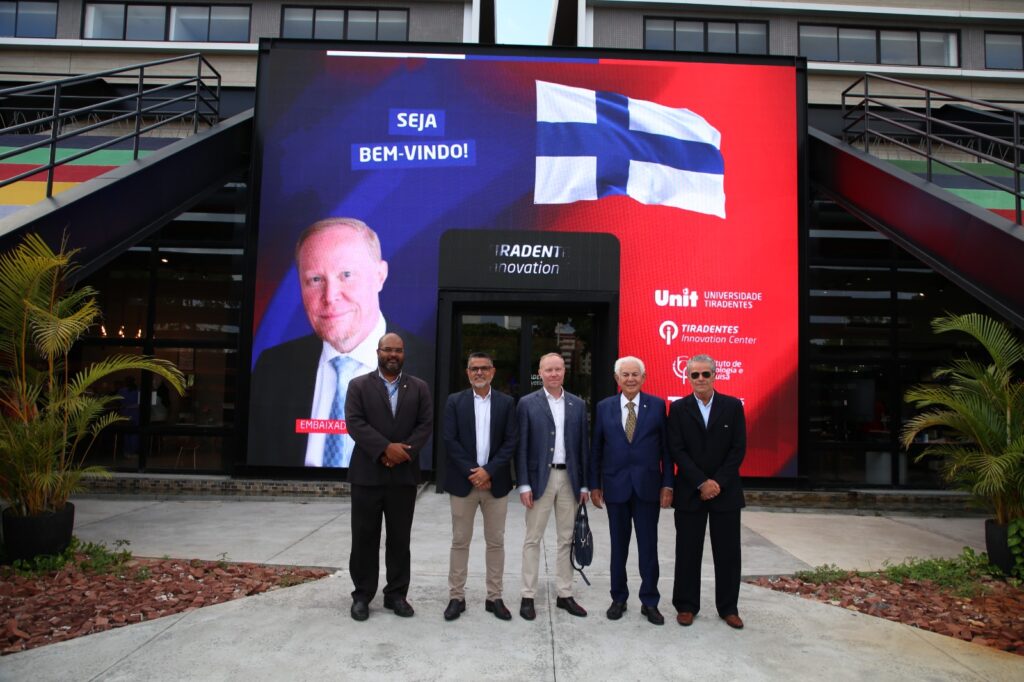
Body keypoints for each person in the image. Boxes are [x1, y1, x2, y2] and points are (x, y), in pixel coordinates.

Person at [247, 217, 427, 468]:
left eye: (346, 275)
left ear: (380, 275)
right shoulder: (273, 367)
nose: (330, 296)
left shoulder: (431, 366)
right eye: (315, 280)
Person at [345, 332, 433, 621]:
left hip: (403, 476)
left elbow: (425, 425)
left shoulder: (419, 387)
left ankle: (396, 595)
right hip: (367, 475)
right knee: (364, 538)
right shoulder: (358, 386)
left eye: (398, 350)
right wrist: (384, 449)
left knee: (399, 540)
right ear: (378, 352)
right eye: (388, 350)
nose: (393, 355)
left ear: (404, 354)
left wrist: (401, 453)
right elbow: (355, 423)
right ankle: (362, 595)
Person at [589, 356, 673, 625]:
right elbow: (596, 449)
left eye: (635, 374)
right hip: (615, 488)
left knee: (648, 547)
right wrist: (594, 485)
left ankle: (650, 601)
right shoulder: (604, 407)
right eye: (625, 374)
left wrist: (667, 484)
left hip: (648, 488)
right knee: (618, 547)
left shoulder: (657, 406)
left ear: (644, 377)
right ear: (617, 379)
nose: (630, 379)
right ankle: (619, 598)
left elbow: (666, 450)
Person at [667, 354, 747, 629]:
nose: (700, 379)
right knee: (687, 551)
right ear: (688, 378)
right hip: (691, 492)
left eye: (705, 374)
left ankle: (728, 608)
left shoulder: (733, 406)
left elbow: (738, 449)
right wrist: (701, 482)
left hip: (726, 492)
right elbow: (677, 449)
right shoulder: (678, 409)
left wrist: (717, 483)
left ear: (715, 375)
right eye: (695, 375)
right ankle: (686, 606)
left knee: (728, 554)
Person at [441, 352, 518, 621]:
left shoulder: (506, 403)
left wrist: (489, 471)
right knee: (460, 541)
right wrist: (473, 472)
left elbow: (511, 441)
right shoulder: (454, 401)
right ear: (467, 372)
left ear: (493, 372)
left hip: (496, 484)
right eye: (474, 368)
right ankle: (456, 597)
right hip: (463, 484)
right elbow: (449, 440)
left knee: (496, 542)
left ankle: (494, 597)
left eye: (484, 368)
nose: (479, 373)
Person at [516, 352, 590, 620]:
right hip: (539, 481)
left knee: (567, 539)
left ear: (564, 371)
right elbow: (521, 447)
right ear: (540, 372)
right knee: (532, 538)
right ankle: (528, 595)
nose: (554, 374)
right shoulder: (527, 403)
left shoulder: (577, 404)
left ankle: (564, 594)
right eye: (549, 370)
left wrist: (584, 485)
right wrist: (524, 484)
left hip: (570, 480)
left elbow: (583, 447)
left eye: (558, 369)